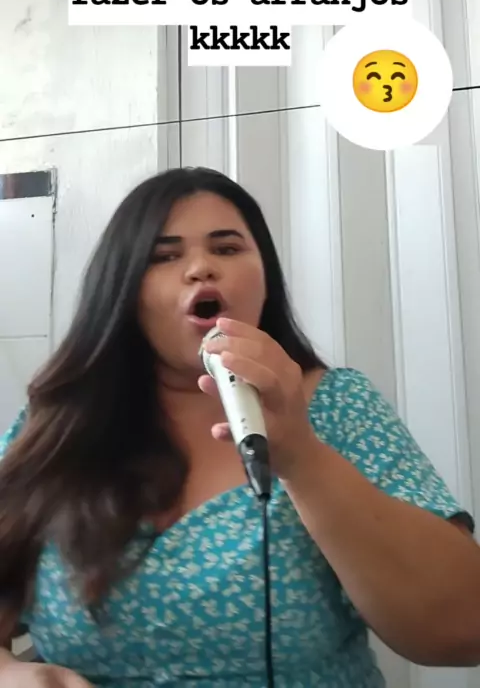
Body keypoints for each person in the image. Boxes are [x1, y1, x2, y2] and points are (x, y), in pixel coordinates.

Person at [0, 166, 479, 688]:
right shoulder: (57, 424)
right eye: (164, 256)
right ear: (123, 290)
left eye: (227, 248)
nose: (201, 268)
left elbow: (462, 629)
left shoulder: (339, 406)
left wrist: (302, 457)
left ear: (265, 280)